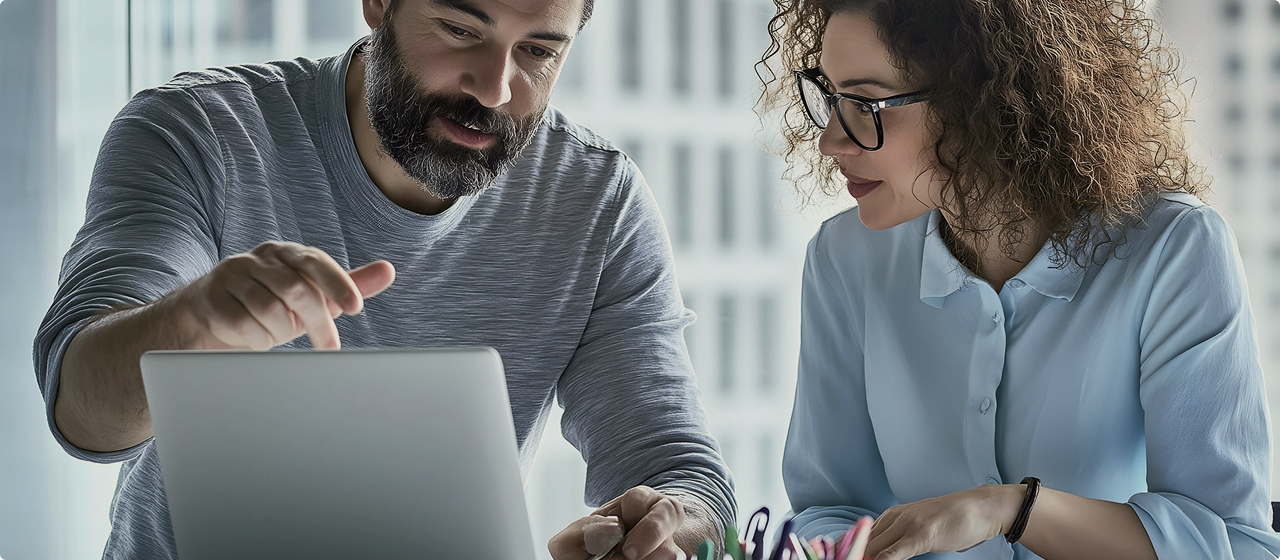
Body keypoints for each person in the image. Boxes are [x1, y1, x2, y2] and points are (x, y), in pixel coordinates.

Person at [33, 0, 734, 558]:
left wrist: (670, 526)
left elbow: (680, 469)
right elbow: (81, 409)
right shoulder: (197, 133)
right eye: (461, 28)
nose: (494, 88)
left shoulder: (596, 202)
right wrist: (193, 327)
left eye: (538, 52)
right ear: (378, 3)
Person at [758, 0, 1280, 558]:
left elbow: (1236, 545)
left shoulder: (1174, 249)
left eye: (865, 104)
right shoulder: (842, 259)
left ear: (979, 97)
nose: (830, 141)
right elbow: (831, 506)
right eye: (832, 99)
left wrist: (1010, 509)